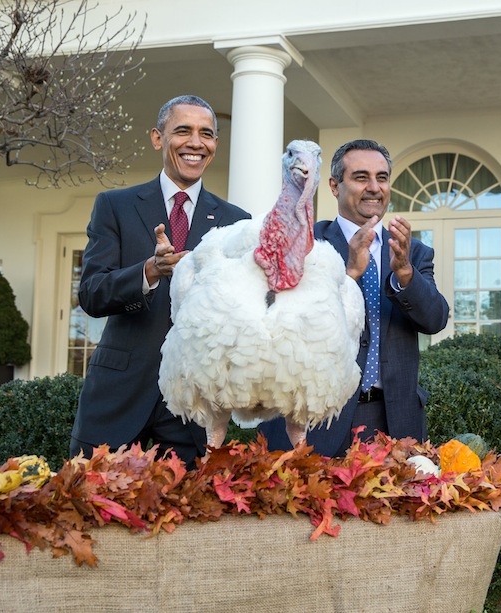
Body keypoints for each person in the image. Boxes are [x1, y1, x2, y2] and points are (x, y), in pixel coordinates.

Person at [69, 95, 251, 469]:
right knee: (94, 514)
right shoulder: (115, 206)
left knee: (187, 520)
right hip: (119, 395)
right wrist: (149, 270)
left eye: (207, 134)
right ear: (157, 138)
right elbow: (90, 293)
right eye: (182, 131)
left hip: (194, 406)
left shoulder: (236, 221)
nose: (196, 143)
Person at [260, 139, 450, 457]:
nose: (374, 187)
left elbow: (435, 319)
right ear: (335, 185)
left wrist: (404, 272)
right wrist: (349, 274)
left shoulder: (414, 253)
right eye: (361, 177)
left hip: (393, 423)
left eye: (382, 177)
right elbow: (279, 319)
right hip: (315, 419)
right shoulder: (303, 243)